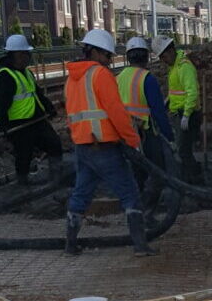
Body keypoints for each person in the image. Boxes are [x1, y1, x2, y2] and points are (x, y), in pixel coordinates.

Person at [63, 28, 152, 257]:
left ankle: (70, 245)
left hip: (83, 147)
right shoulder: (100, 75)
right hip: (104, 147)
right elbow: (117, 113)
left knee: (81, 195)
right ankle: (141, 246)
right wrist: (133, 142)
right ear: (95, 52)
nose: (109, 61)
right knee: (130, 193)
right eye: (107, 56)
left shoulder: (73, 78)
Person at [0, 34, 62, 186]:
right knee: (24, 154)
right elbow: (1, 103)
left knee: (54, 144)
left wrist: (49, 108)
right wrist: (3, 125)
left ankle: (56, 178)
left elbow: (37, 94)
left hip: (36, 120)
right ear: (11, 56)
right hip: (19, 124)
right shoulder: (5, 76)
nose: (25, 58)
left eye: (26, 54)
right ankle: (22, 183)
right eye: (21, 54)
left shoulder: (27, 73)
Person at [118, 36, 174, 218]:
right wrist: (170, 137)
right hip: (145, 133)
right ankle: (147, 209)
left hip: (125, 133)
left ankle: (134, 208)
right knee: (158, 170)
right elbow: (158, 112)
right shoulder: (147, 78)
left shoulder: (119, 78)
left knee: (136, 174)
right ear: (146, 57)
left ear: (128, 57)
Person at [152, 37, 202, 183]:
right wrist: (167, 103)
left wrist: (186, 115)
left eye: (164, 56)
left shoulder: (184, 67)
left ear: (171, 50)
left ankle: (195, 178)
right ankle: (191, 175)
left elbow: (192, 92)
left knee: (183, 150)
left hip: (188, 115)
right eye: (161, 58)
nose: (163, 60)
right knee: (183, 149)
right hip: (179, 113)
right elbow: (176, 91)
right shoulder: (174, 67)